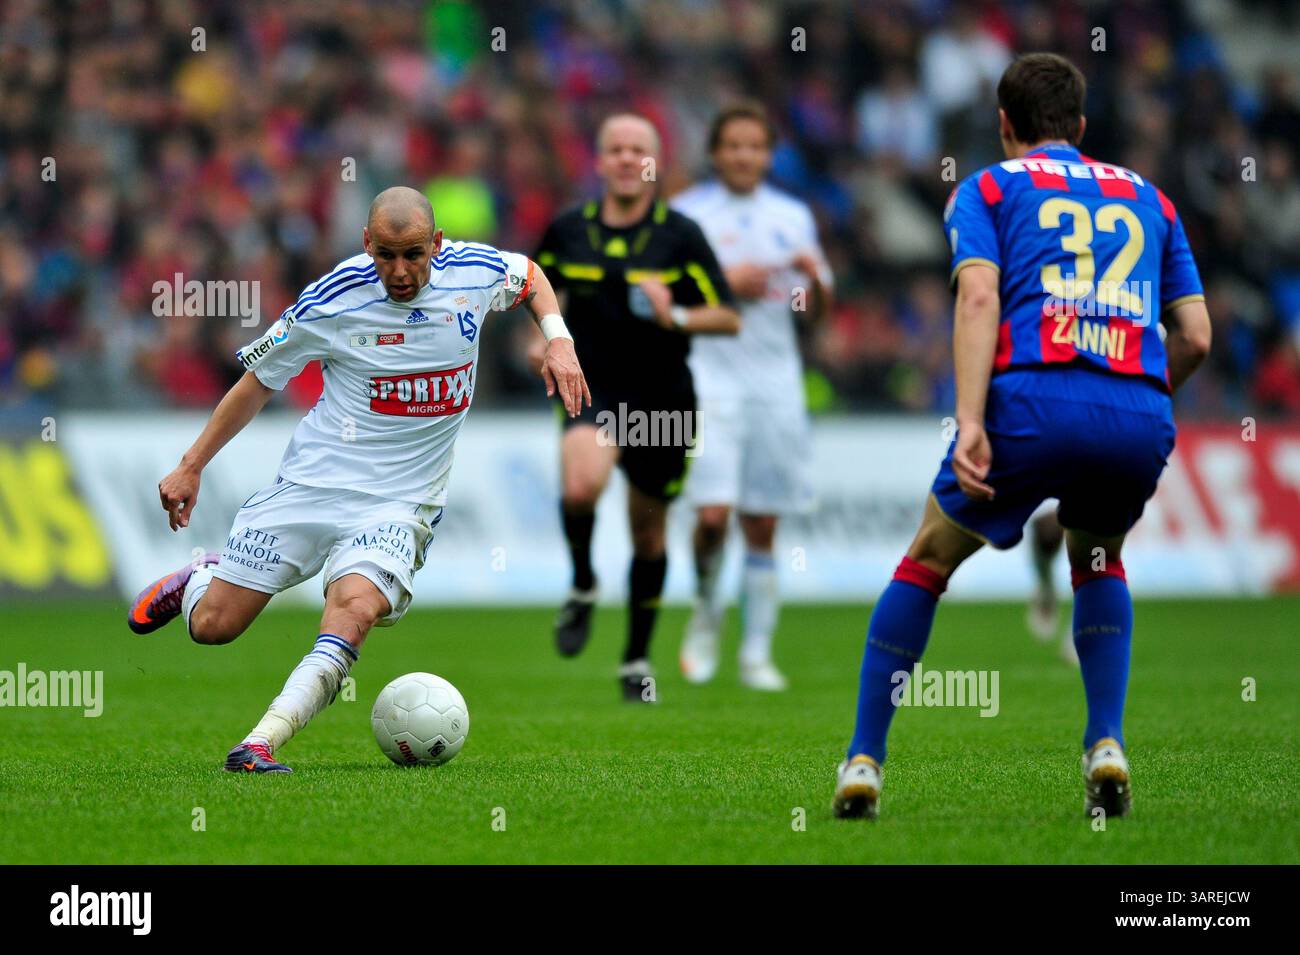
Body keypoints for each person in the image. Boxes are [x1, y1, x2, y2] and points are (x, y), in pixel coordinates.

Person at [832, 54, 1211, 820]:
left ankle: (864, 760)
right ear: (1080, 125)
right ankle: (1105, 742)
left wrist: (971, 419)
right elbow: (1197, 335)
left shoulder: (990, 187)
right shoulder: (1153, 199)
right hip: (1136, 406)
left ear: (1004, 125)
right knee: (1099, 558)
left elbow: (978, 297)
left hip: (1032, 397)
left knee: (929, 558)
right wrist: (1137, 399)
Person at [126, 186, 589, 773]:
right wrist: (191, 465)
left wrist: (559, 341)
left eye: (414, 255)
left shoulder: (474, 273)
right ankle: (198, 578)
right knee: (214, 627)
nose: (400, 271)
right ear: (366, 244)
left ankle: (260, 743)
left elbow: (531, 276)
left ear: (437, 245)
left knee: (355, 608)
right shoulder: (332, 300)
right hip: (314, 485)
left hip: (401, 502)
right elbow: (259, 381)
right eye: (386, 255)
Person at [532, 114, 740, 701]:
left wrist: (675, 314)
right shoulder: (567, 230)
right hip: (593, 388)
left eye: (638, 150)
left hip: (662, 397)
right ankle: (582, 584)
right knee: (580, 487)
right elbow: (535, 295)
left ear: (655, 163)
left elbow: (727, 314)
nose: (626, 159)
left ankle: (635, 659)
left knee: (648, 536)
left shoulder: (681, 236)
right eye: (615, 149)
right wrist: (541, 341)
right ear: (599, 161)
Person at [670, 102, 832, 691]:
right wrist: (723, 282)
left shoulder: (792, 215)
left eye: (755, 145)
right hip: (707, 378)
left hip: (774, 383)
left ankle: (757, 652)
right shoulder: (687, 213)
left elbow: (813, 312)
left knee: (762, 522)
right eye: (733, 145)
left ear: (768, 154)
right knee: (712, 516)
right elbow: (665, 300)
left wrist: (810, 286)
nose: (744, 155)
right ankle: (708, 611)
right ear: (715, 153)